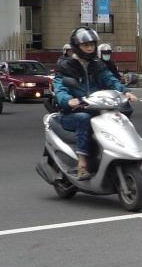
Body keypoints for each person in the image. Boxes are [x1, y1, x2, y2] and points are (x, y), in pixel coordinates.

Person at [53, 27, 135, 178]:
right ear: (76, 46)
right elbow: (60, 87)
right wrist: (68, 100)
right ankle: (82, 164)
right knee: (84, 118)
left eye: (92, 45)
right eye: (86, 45)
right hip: (73, 112)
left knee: (119, 114)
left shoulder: (98, 64)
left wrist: (125, 91)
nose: (90, 48)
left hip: (96, 107)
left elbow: (110, 79)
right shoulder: (66, 66)